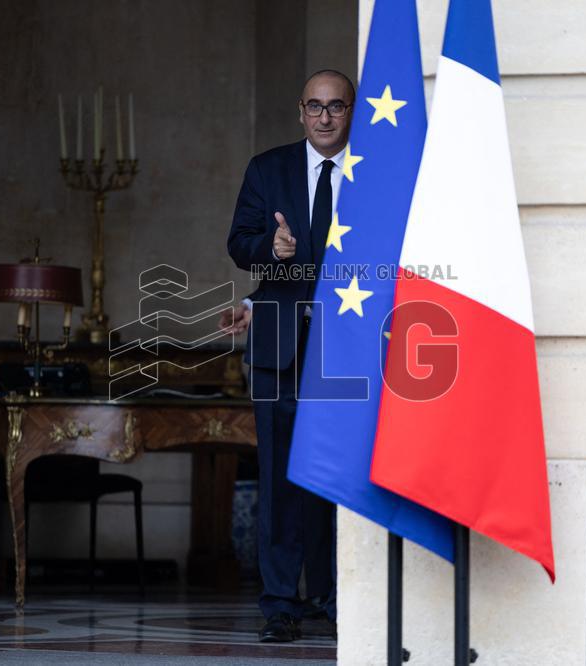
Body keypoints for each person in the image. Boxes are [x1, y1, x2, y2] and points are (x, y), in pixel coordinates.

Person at [224, 69, 354, 643]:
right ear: (301, 111)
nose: (325, 118)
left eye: (336, 107)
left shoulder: (376, 171)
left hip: (348, 349)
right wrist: (269, 249)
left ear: (351, 112)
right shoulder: (267, 168)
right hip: (279, 344)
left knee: (336, 475)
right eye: (315, 107)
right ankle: (280, 601)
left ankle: (333, 593)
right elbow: (238, 243)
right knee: (278, 477)